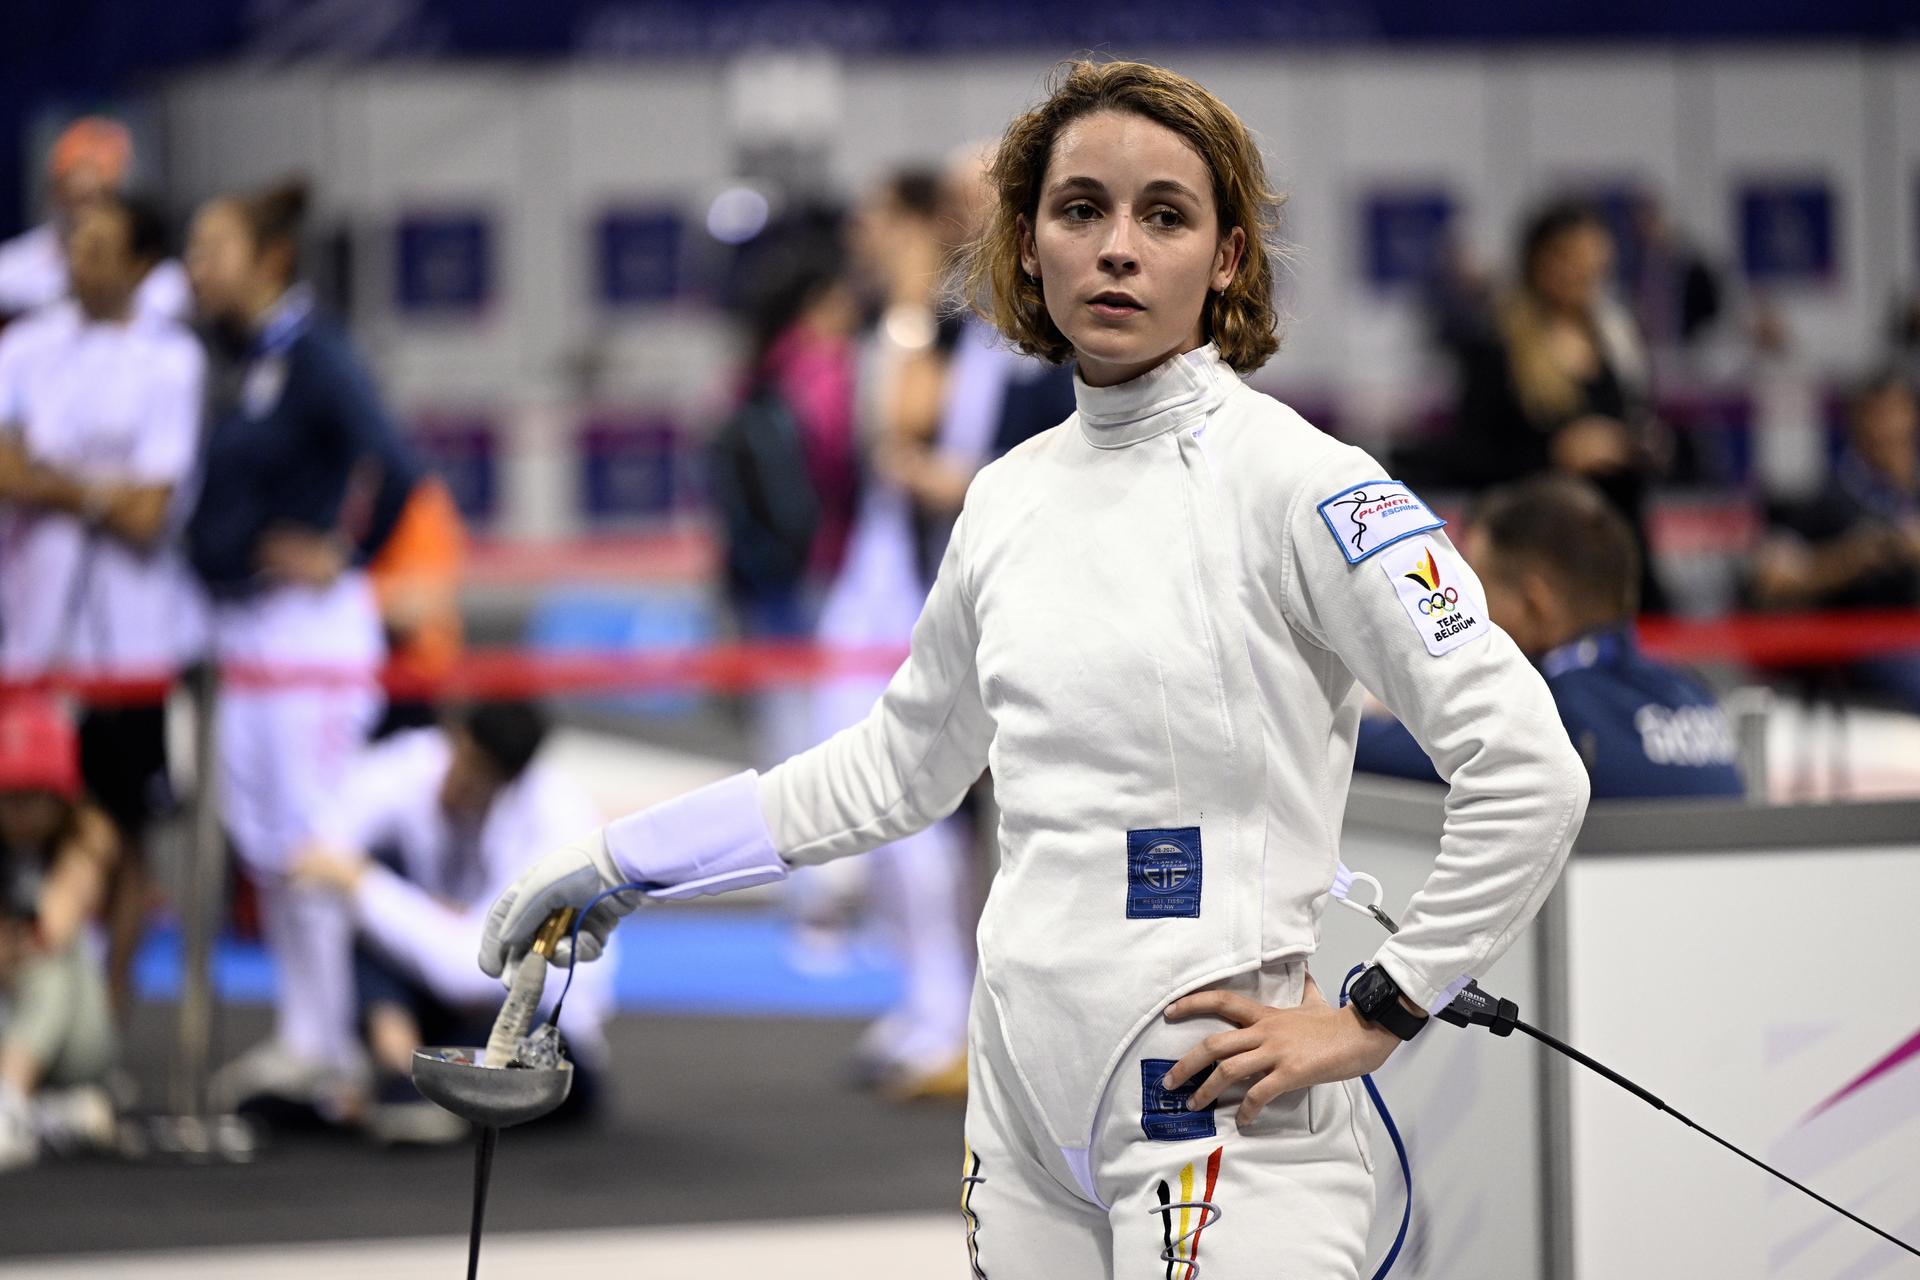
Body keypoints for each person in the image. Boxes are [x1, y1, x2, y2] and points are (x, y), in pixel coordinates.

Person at [480, 60, 1588, 1278]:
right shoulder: (1006, 499)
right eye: (1081, 210)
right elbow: (894, 771)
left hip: (1225, 1115)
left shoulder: (1306, 481)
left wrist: (1380, 1010)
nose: (1118, 248)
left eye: (1164, 215)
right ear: (1028, 242)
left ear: (1225, 259)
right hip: (1020, 1111)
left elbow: (1530, 769)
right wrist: (621, 862)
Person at [183, 178, 422, 1116]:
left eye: (216, 249)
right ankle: (304, 1032)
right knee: (268, 839)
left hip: (310, 631)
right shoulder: (234, 356)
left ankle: (340, 1043)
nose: (199, 269)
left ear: (270, 259)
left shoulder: (316, 352)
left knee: (314, 834)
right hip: (241, 626)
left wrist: (340, 553)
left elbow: (399, 468)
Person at [0, 191, 207, 1011]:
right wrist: (98, 491)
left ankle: (108, 1022)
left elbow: (151, 511)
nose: (77, 262)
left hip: (131, 644)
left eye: (97, 247)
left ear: (140, 265)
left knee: (125, 835)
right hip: (29, 638)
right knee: (23, 825)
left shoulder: (172, 361)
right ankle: (25, 1016)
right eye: (73, 244)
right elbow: (4, 471)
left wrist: (49, 480)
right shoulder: (23, 345)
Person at [290, 702, 608, 1144]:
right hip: (437, 1007)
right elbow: (311, 861)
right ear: (452, 736)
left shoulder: (557, 821)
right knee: (367, 886)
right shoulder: (409, 765)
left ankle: (401, 1090)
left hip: (528, 1022)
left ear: (510, 781)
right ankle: (396, 1073)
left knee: (368, 887)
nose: (458, 781)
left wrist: (365, 883)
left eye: (477, 773)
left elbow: (470, 973)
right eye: (459, 758)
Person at [1355, 477, 1744, 799]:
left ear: (1534, 603)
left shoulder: (1550, 719)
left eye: (1474, 586)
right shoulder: (1694, 694)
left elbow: (1362, 748)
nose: (1463, 609)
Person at [1449, 199, 1669, 612]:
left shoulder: (1619, 339)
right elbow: (1467, 457)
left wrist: (1638, 448)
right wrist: (1555, 454)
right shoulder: (1498, 343)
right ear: (1537, 259)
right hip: (1534, 558)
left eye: (1593, 262)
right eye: (1568, 258)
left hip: (1613, 549)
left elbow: (1648, 421)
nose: (1581, 273)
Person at [1752, 369, 1920, 709]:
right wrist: (1856, 557)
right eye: (1877, 414)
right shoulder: (1829, 498)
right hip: (1874, 644)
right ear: (1856, 420)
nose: (1887, 427)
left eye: (1896, 413)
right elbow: (1771, 577)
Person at [0, 695, 119, 1171]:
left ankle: (10, 1100)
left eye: (34, 797)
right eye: (9, 798)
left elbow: (52, 927)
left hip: (75, 1039)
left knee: (53, 963)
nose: (20, 813)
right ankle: (45, 1116)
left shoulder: (86, 835)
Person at [0, 117, 190, 326]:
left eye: (96, 198)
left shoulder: (163, 282)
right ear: (54, 193)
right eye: (73, 197)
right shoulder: (8, 267)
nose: (84, 217)